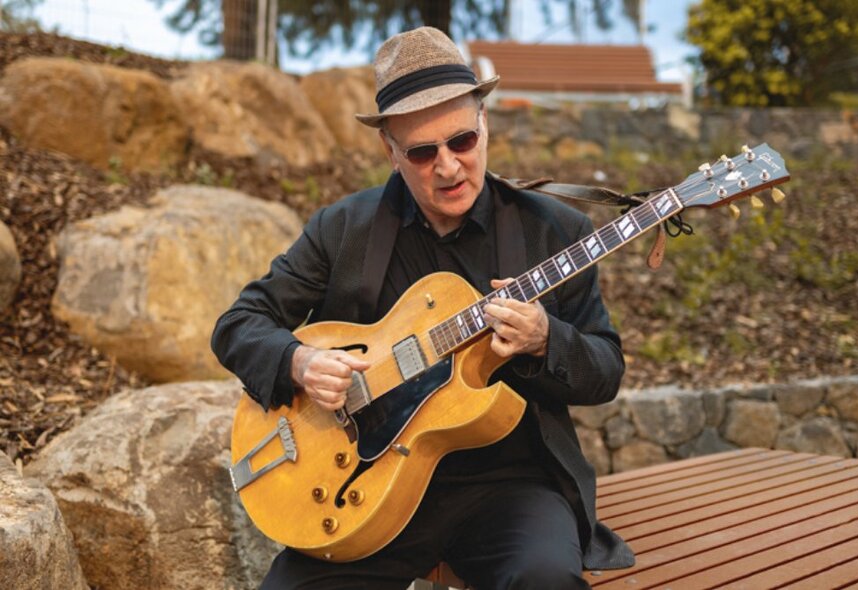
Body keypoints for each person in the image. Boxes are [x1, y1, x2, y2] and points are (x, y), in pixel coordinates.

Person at [212, 26, 634, 590]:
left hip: (510, 487)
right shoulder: (343, 230)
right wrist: (299, 363)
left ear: (485, 125)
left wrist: (545, 339)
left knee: (546, 582)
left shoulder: (555, 230)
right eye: (421, 151)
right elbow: (238, 324)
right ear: (390, 152)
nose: (448, 166)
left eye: (462, 141)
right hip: (367, 486)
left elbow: (605, 370)